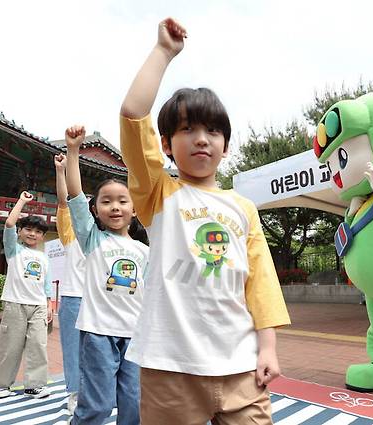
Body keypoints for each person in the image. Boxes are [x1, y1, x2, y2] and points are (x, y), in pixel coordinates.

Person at [119, 17, 291, 424]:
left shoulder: (243, 208)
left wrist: (268, 348)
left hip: (241, 368)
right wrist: (163, 52)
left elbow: (261, 282)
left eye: (213, 131)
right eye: (187, 129)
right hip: (169, 368)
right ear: (165, 144)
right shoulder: (158, 192)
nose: (201, 138)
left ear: (226, 145)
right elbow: (132, 114)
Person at [64, 125, 149, 425]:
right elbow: (75, 194)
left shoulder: (144, 250)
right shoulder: (92, 239)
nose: (115, 206)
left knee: (134, 405)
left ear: (134, 209)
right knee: (97, 406)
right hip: (99, 333)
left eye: (122, 201)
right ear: (96, 210)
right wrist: (73, 150)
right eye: (106, 201)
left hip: (136, 336)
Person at [0, 191, 52, 399]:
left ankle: (34, 385)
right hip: (15, 304)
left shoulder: (43, 258)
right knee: (10, 346)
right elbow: (9, 224)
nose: (32, 234)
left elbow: (46, 284)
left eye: (38, 231)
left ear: (42, 236)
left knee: (38, 345)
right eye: (28, 229)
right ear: (20, 231)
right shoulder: (13, 250)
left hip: (38, 306)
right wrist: (22, 201)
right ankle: (3, 385)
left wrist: (49, 305)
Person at [54, 153, 84, 415]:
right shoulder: (71, 233)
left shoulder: (106, 237)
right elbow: (65, 201)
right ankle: (75, 394)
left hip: (102, 301)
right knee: (73, 349)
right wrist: (61, 171)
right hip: (74, 299)